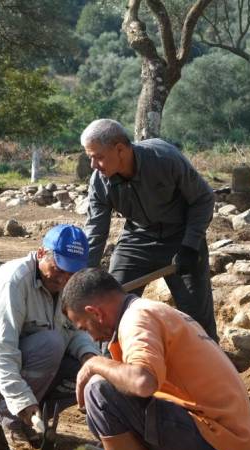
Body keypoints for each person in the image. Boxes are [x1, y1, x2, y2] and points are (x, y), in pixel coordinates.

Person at [61, 268, 250, 450]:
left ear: (95, 312)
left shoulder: (136, 319)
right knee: (115, 394)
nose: (92, 338)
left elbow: (143, 382)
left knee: (100, 392)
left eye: (85, 327)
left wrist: (95, 363)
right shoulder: (154, 311)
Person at [0, 224, 101, 449]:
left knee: (87, 369)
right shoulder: (13, 281)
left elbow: (75, 331)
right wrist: (21, 400)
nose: (65, 279)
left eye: (72, 272)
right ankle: (9, 418)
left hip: (19, 370)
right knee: (51, 343)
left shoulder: (67, 284)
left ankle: (29, 417)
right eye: (59, 268)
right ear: (42, 252)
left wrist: (91, 359)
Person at [81, 119, 219, 340]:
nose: (93, 165)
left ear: (120, 149)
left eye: (98, 157)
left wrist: (191, 245)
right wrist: (83, 278)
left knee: (198, 320)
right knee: (111, 306)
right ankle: (111, 367)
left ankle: (212, 366)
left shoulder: (164, 158)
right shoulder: (99, 182)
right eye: (90, 158)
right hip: (138, 239)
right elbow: (95, 232)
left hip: (181, 239)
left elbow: (203, 198)